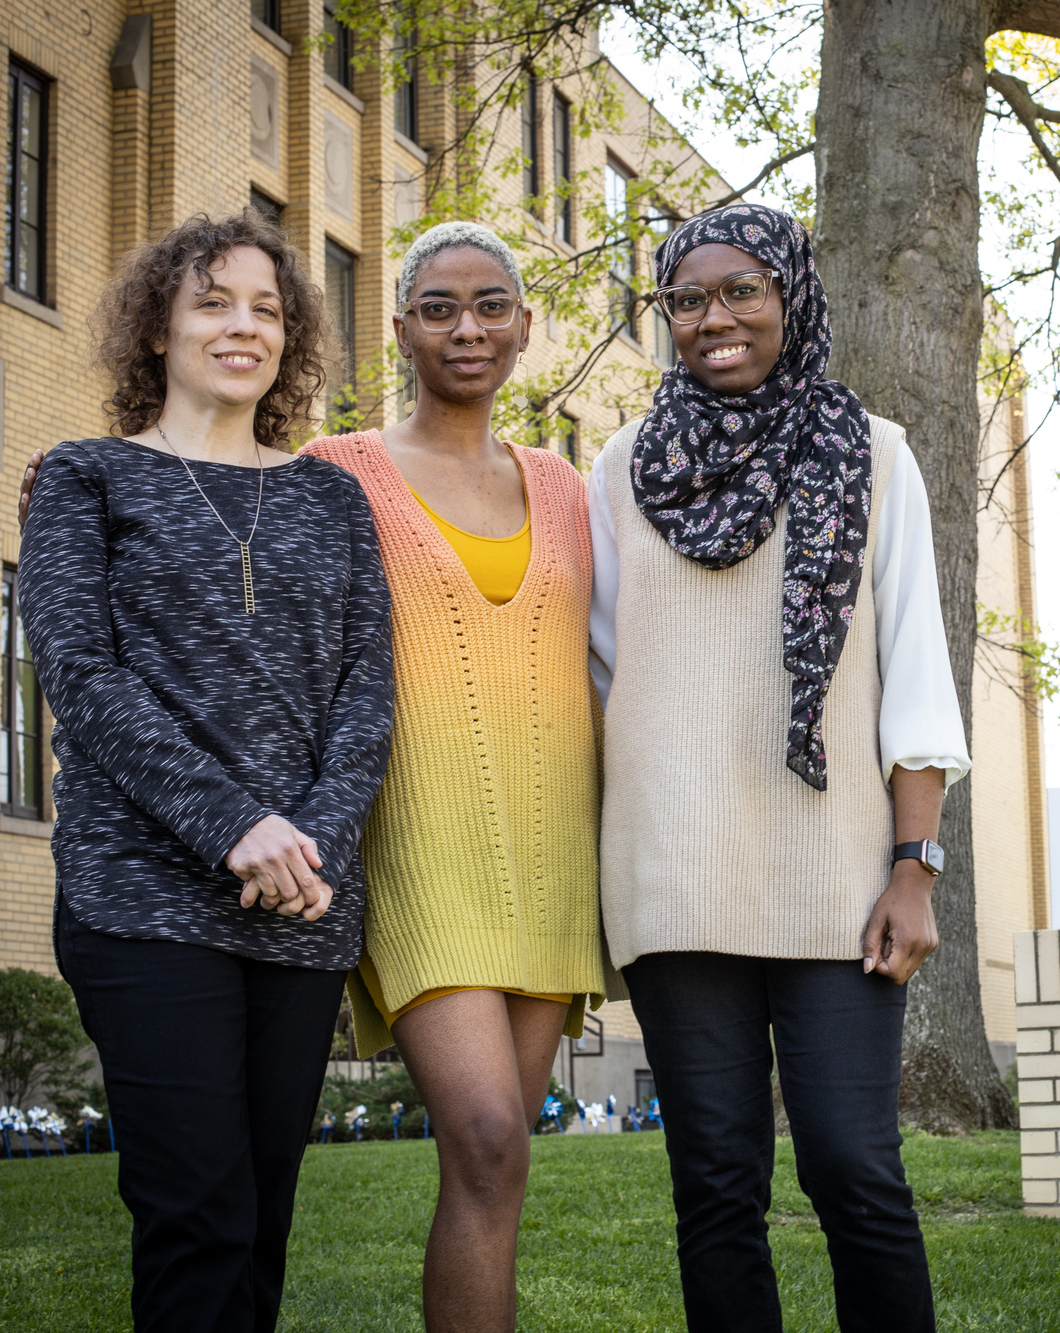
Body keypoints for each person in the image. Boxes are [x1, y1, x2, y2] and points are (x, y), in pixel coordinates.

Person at [588, 203, 969, 1332]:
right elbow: (605, 679)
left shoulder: (874, 453)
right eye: (688, 299)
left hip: (837, 882)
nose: (714, 319)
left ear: (791, 293)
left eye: (741, 289)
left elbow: (915, 676)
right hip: (672, 875)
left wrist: (915, 865)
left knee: (854, 1169)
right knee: (714, 1189)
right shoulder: (620, 467)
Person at [16, 212, 394, 1333]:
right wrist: (237, 826)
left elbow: (367, 689)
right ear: (158, 330)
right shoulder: (85, 481)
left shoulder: (333, 496)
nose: (245, 327)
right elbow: (82, 678)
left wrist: (306, 841)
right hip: (140, 897)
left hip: (301, 902)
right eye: (214, 302)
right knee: (196, 1213)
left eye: (267, 309)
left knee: (262, 1215)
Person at [301, 221, 609, 1333]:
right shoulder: (336, 472)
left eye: (488, 305)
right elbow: (220, 510)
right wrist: (94, 470)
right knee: (481, 1133)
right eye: (437, 307)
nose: (465, 327)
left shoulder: (572, 490)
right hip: (419, 848)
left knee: (500, 1163)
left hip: (553, 854)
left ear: (524, 327)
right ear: (399, 330)